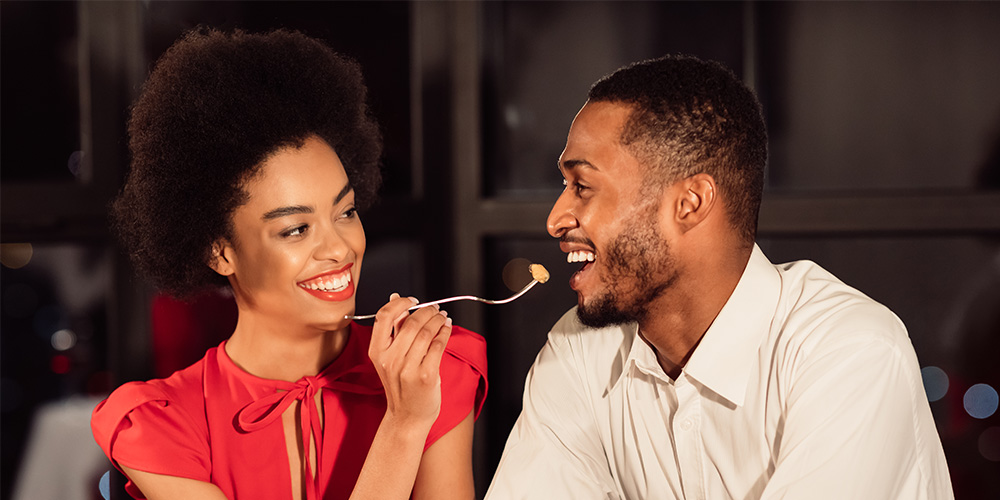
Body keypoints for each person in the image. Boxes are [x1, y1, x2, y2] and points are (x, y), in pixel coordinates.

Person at [486, 55, 952, 499]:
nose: (555, 219)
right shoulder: (579, 352)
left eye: (582, 187)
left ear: (689, 204)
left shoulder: (850, 353)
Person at [91, 29, 487, 500]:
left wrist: (414, 410)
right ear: (220, 252)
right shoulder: (164, 424)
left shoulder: (431, 374)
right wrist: (402, 428)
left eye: (345, 212)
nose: (339, 248)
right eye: (296, 229)